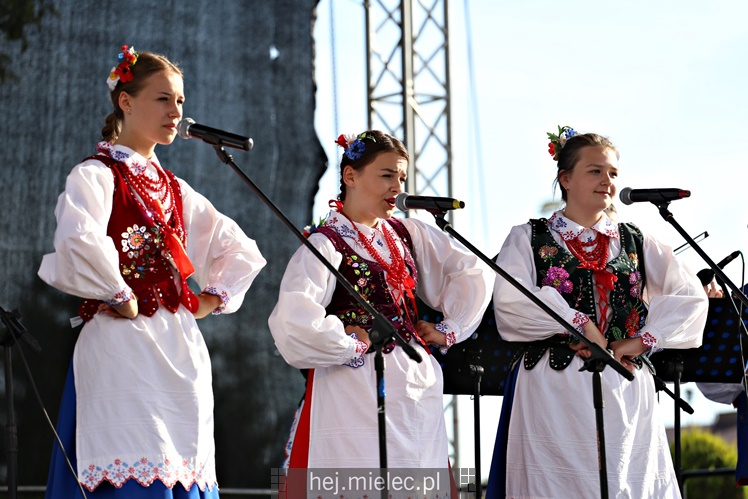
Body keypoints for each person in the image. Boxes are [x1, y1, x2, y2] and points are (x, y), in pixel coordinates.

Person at [38, 45, 267, 498]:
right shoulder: (97, 174)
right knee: (130, 466)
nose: (175, 111)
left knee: (181, 467)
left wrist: (212, 297)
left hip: (180, 351)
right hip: (123, 348)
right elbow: (77, 237)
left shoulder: (176, 190)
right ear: (126, 101)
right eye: (163, 98)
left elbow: (238, 247)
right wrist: (118, 293)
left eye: (180, 101)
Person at [486, 126, 709, 498]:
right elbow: (512, 299)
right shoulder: (528, 237)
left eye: (613, 173)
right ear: (565, 178)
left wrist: (642, 341)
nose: (607, 180)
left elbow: (689, 296)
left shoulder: (636, 240)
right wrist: (578, 322)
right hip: (554, 385)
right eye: (595, 171)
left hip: (625, 385)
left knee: (627, 481)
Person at [268, 130, 494, 471]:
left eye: (401, 177)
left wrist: (449, 327)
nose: (398, 187)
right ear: (350, 176)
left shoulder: (408, 233)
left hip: (415, 385)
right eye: (387, 175)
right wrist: (348, 344)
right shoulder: (327, 244)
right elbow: (293, 318)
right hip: (354, 385)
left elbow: (470, 270)